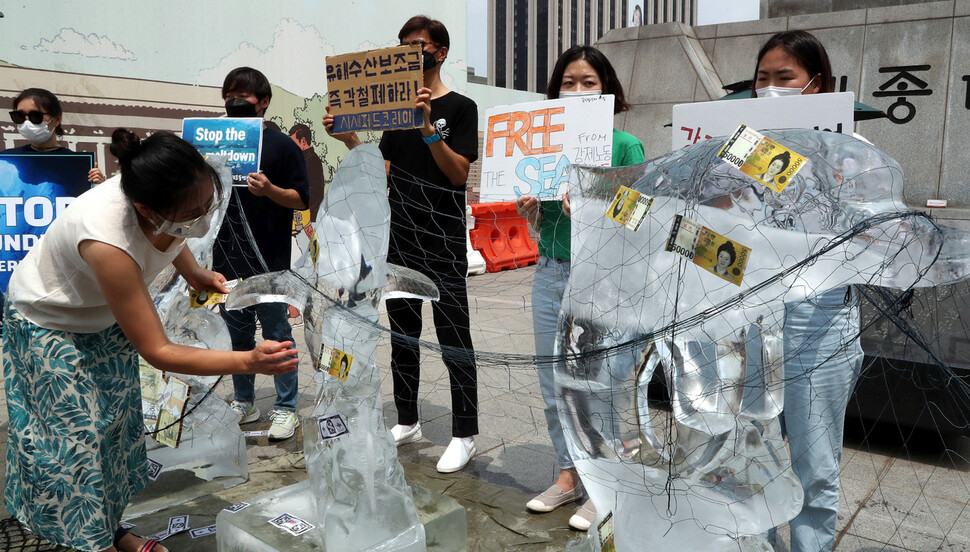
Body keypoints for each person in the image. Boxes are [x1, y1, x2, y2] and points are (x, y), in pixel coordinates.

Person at [2, 128, 298, 552]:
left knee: (115, 429)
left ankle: (110, 528)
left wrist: (194, 273)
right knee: (76, 442)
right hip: (50, 323)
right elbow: (158, 351)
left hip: (102, 319)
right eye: (191, 215)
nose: (200, 220)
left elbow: (172, 233)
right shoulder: (107, 239)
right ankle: (92, 542)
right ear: (145, 209)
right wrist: (248, 361)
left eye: (206, 206)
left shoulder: (166, 199)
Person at [324, 15, 480, 474]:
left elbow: (458, 174)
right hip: (399, 239)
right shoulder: (393, 112)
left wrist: (429, 125)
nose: (413, 50)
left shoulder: (462, 106)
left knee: (455, 339)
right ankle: (407, 419)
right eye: (405, 44)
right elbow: (379, 173)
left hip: (444, 241)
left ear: (441, 52)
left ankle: (465, 432)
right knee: (401, 336)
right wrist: (349, 138)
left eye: (421, 44)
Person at [514, 44, 645, 532]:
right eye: (568, 83)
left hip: (606, 278)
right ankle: (569, 473)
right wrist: (532, 214)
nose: (577, 90)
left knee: (600, 385)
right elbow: (543, 228)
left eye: (588, 82)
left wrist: (593, 210)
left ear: (607, 89)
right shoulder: (543, 145)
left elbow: (638, 217)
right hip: (551, 271)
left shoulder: (625, 146)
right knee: (554, 385)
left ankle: (604, 484)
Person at [751, 30, 862, 552]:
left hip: (821, 317)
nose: (771, 89)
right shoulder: (738, 149)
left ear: (817, 85)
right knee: (749, 453)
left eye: (785, 78)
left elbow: (869, 238)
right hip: (750, 317)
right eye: (762, 79)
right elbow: (702, 240)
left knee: (814, 465)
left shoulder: (851, 150)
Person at [215, 67, 310, 441]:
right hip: (226, 259)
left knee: (277, 334)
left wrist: (270, 190)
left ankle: (286, 408)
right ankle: (244, 401)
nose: (235, 103)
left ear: (264, 102)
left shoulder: (282, 146)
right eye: (229, 97)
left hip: (270, 261)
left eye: (243, 97)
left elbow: (302, 198)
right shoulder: (216, 143)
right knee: (237, 338)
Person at [4, 88, 105, 184]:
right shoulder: (6, 161)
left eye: (35, 116)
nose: (27, 122)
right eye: (19, 116)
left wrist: (99, 187)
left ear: (57, 119)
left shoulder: (76, 164)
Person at [289, 123, 326, 221]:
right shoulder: (305, 160)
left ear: (303, 141)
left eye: (293, 143)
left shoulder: (311, 161)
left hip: (309, 219)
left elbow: (311, 193)